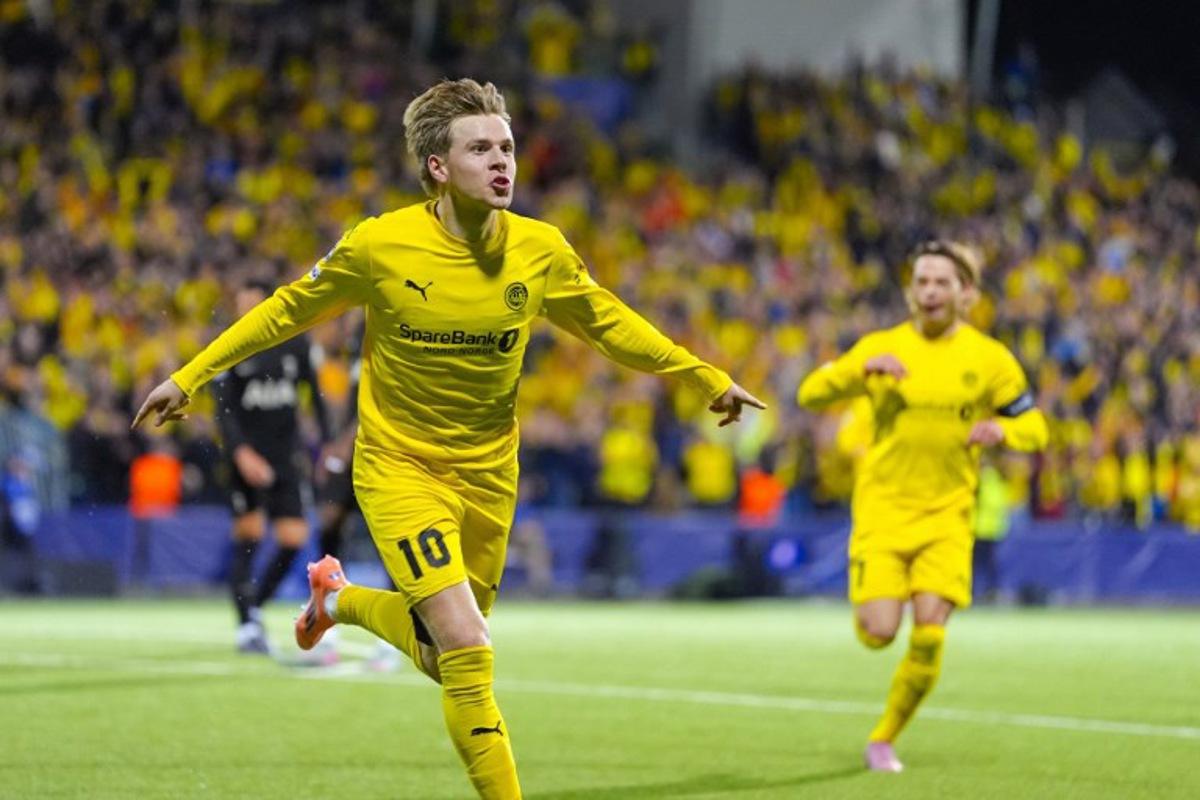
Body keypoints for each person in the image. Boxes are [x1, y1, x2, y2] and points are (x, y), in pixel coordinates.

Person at [133, 78, 764, 799]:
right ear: (438, 166)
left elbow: (611, 322)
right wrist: (188, 376)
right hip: (400, 466)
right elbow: (284, 313)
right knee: (468, 643)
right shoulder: (380, 244)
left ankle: (338, 603)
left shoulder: (540, 249)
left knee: (442, 654)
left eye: (507, 147)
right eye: (480, 148)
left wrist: (702, 373)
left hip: (490, 474)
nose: (502, 162)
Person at [797, 240, 1047, 773]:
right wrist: (859, 371)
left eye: (941, 282)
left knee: (930, 630)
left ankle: (883, 739)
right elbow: (809, 394)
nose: (929, 290)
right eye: (921, 281)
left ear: (966, 294)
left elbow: (1036, 424)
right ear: (910, 292)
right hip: (884, 513)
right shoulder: (881, 346)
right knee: (879, 633)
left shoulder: (990, 359)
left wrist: (1003, 430)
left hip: (948, 517)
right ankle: (881, 612)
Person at [212, 280, 331, 654]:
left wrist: (326, 444)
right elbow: (223, 411)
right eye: (241, 302)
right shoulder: (230, 345)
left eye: (252, 301)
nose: (246, 309)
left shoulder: (296, 344)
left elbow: (318, 397)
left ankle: (256, 608)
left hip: (285, 456)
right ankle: (246, 624)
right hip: (246, 455)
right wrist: (242, 454)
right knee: (249, 533)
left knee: (294, 538)